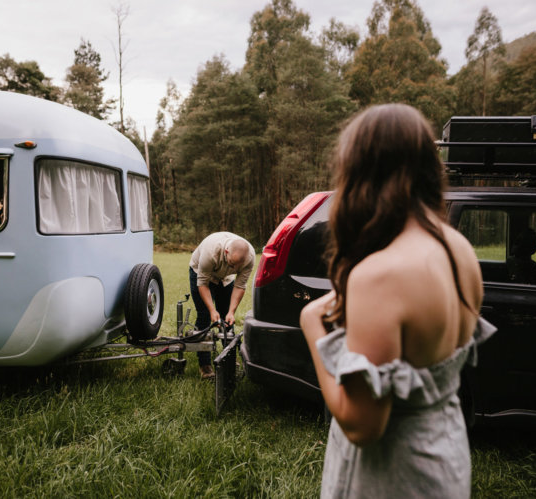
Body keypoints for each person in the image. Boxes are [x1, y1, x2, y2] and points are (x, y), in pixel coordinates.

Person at [299, 104, 496, 498]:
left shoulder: (380, 275)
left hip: (392, 475)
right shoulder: (459, 249)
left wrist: (311, 327)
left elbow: (363, 427)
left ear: (360, 173)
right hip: (444, 456)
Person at [189, 231, 255, 379]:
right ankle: (205, 365)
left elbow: (240, 286)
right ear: (226, 252)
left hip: (225, 279)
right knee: (205, 315)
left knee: (227, 316)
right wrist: (212, 310)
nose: (234, 269)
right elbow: (203, 284)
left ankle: (229, 358)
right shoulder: (210, 251)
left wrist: (232, 312)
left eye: (237, 268)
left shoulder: (249, 258)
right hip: (201, 275)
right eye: (231, 264)